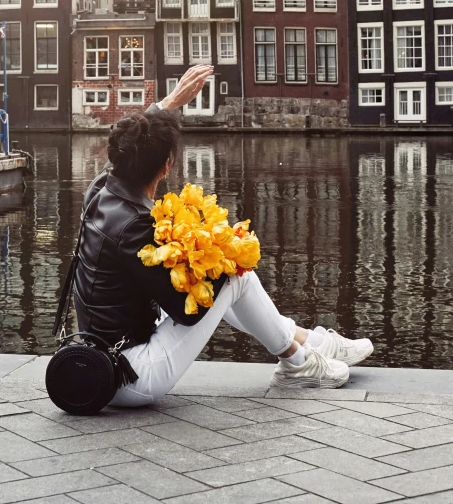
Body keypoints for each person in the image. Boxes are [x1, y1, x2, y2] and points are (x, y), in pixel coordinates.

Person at [74, 64, 373, 406]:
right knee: (234, 277)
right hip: (130, 376)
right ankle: (298, 362)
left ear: (118, 155)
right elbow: (188, 311)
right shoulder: (135, 226)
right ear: (167, 166)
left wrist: (168, 103)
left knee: (224, 274)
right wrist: (217, 255)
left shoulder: (100, 190)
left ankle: (309, 345)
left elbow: (128, 141)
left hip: (102, 352)